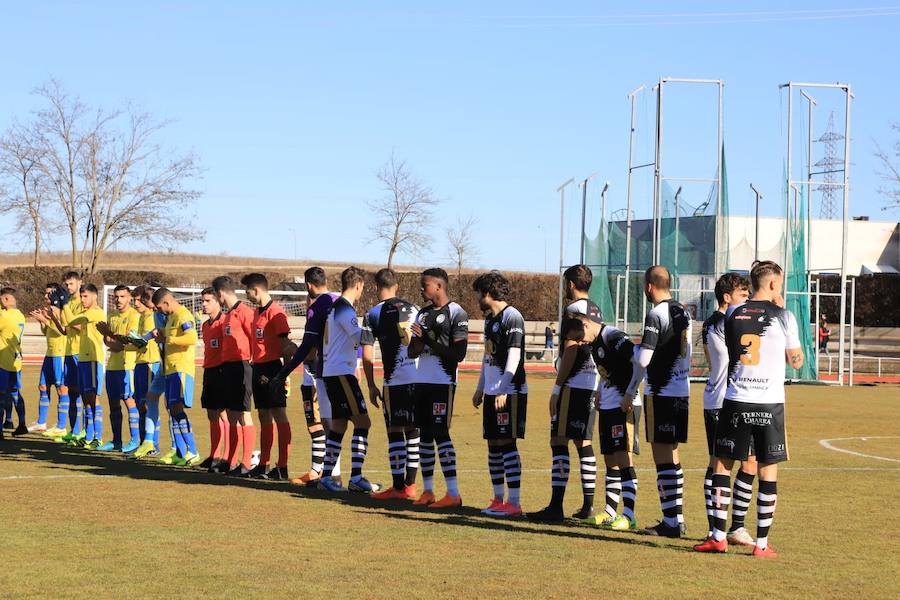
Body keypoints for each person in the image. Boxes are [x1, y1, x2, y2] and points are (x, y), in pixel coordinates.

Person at [695, 260, 803, 558]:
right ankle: (762, 544)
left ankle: (717, 536)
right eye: (778, 283)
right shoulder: (784, 316)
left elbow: (735, 352)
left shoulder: (732, 314)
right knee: (767, 469)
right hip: (769, 402)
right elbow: (796, 362)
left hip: (736, 398)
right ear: (771, 284)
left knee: (722, 464)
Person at [529, 264, 602, 524]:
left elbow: (571, 350)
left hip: (574, 384)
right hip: (592, 383)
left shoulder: (573, 310)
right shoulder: (596, 309)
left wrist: (558, 388)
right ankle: (589, 506)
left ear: (570, 284)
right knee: (583, 442)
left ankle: (556, 507)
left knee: (558, 440)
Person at [560, 314, 642, 531]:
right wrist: (599, 390)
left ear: (586, 325)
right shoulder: (594, 344)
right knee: (610, 459)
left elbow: (640, 362)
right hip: (607, 403)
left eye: (579, 337)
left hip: (624, 405)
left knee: (624, 458)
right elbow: (608, 373)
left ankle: (629, 515)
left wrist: (630, 393)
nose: (580, 343)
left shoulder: (613, 337)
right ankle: (610, 512)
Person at [627, 265, 692, 538]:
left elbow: (645, 358)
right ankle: (677, 517)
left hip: (661, 393)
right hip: (682, 390)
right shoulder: (684, 312)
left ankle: (670, 522)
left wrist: (631, 389)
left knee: (662, 458)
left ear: (649, 287)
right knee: (673, 455)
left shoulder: (656, 313)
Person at [701, 273, 757, 547]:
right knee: (719, 463)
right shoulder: (720, 324)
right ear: (727, 297)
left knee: (750, 463)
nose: (747, 298)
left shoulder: (728, 322)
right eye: (743, 294)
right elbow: (731, 359)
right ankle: (716, 527)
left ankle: (735, 527)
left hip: (739, 399)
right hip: (721, 401)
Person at [272, 267, 341, 486]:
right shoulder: (338, 301)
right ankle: (317, 470)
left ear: (308, 285)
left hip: (324, 372)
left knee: (330, 424)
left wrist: (285, 370)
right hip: (311, 375)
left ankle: (332, 474)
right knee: (314, 423)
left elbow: (310, 345)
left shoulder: (326, 303)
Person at [408, 268, 469, 509]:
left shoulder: (456, 313)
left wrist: (428, 339)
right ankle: (428, 490)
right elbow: (413, 350)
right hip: (421, 381)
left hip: (442, 383)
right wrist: (414, 341)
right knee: (424, 435)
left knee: (441, 434)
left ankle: (453, 493)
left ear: (439, 287)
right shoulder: (422, 314)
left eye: (425, 286)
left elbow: (458, 354)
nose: (422, 290)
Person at [362, 268, 422, 501]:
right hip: (417, 379)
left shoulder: (373, 314)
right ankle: (411, 486)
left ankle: (398, 488)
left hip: (394, 381)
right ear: (397, 286)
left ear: (377, 287)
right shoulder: (416, 309)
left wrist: (371, 385)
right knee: (414, 430)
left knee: (394, 430)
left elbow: (367, 356)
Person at [471, 271, 527, 518]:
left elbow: (514, 356)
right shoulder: (489, 320)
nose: (478, 300)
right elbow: (488, 357)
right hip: (493, 392)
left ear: (487, 293)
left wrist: (504, 387)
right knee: (493, 445)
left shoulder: (512, 317)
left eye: (479, 294)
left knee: (507, 444)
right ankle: (497, 499)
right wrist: (480, 387)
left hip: (510, 392)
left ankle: (514, 503)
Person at [318, 267, 377, 493]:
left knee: (340, 424)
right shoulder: (345, 310)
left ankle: (325, 477)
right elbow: (360, 337)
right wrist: (379, 329)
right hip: (341, 374)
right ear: (358, 285)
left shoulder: (335, 309)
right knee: (363, 422)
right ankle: (356, 477)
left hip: (333, 373)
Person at [242, 273, 296, 480]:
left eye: (247, 290)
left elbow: (286, 346)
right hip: (258, 368)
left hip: (273, 369)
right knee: (263, 415)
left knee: (279, 414)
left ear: (256, 290)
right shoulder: (257, 312)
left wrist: (285, 374)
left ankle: (282, 467)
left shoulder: (276, 313)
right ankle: (263, 464)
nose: (247, 295)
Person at [50, 284, 107, 449]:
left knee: (94, 397)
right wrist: (63, 306)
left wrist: (65, 304)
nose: (82, 299)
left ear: (95, 296)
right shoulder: (84, 312)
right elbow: (68, 324)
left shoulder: (95, 312)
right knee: (86, 398)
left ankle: (98, 436)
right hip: (83, 359)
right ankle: (89, 436)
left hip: (93, 359)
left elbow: (71, 321)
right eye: (81, 296)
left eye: (86, 296)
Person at [212, 276, 257, 477]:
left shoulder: (244, 312)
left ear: (220, 293)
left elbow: (255, 339)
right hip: (228, 368)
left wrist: (251, 364)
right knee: (231, 415)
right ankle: (230, 460)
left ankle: (246, 462)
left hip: (242, 366)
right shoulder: (228, 314)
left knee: (243, 414)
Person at [152, 287, 201, 466]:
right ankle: (181, 453)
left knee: (178, 410)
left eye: (159, 308)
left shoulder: (183, 315)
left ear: (166, 302)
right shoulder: (171, 317)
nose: (158, 311)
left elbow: (191, 338)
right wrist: (162, 333)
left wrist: (168, 339)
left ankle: (193, 451)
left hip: (181, 369)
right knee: (172, 410)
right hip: (170, 369)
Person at [96, 285, 142, 452]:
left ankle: (135, 440)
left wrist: (110, 336)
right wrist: (110, 338)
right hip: (112, 366)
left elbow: (127, 343)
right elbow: (108, 342)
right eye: (116, 297)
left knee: (130, 402)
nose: (118, 300)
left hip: (127, 365)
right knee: (113, 404)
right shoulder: (113, 316)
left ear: (129, 297)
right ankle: (116, 441)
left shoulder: (134, 316)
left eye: (122, 296)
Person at [131, 286, 168, 459]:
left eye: (140, 300)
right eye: (136, 300)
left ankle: (154, 444)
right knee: (142, 404)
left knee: (149, 403)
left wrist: (132, 341)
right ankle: (144, 442)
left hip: (151, 362)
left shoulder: (156, 315)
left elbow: (151, 338)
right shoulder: (145, 316)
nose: (137, 303)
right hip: (140, 362)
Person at [29, 283, 69, 436]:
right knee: (43, 386)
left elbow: (61, 333)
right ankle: (41, 422)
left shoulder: (61, 311)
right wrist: (41, 321)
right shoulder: (50, 310)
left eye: (48, 294)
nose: (45, 296)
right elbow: (47, 332)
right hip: (50, 353)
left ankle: (60, 426)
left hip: (60, 353)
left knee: (61, 389)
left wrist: (45, 320)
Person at [199, 287, 228, 471]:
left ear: (218, 301)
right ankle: (214, 454)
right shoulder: (205, 325)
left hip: (222, 372)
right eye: (203, 300)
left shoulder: (224, 323)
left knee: (224, 414)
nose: (204, 304)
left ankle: (225, 457)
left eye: (208, 301)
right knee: (211, 414)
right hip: (208, 371)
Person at [54, 272, 85, 444]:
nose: (69, 287)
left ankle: (88, 434)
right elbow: (66, 330)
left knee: (86, 394)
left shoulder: (82, 302)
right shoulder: (70, 302)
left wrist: (64, 307)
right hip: (69, 352)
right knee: (73, 393)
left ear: (80, 282)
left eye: (71, 284)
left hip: (81, 352)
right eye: (66, 285)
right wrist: (53, 316)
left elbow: (80, 327)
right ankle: (74, 431)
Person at [0, 288, 26, 438]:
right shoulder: (20, 315)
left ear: (7, 299)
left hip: (3, 360)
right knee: (15, 393)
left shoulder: (5, 316)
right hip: (16, 360)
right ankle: (22, 424)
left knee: (1, 396)